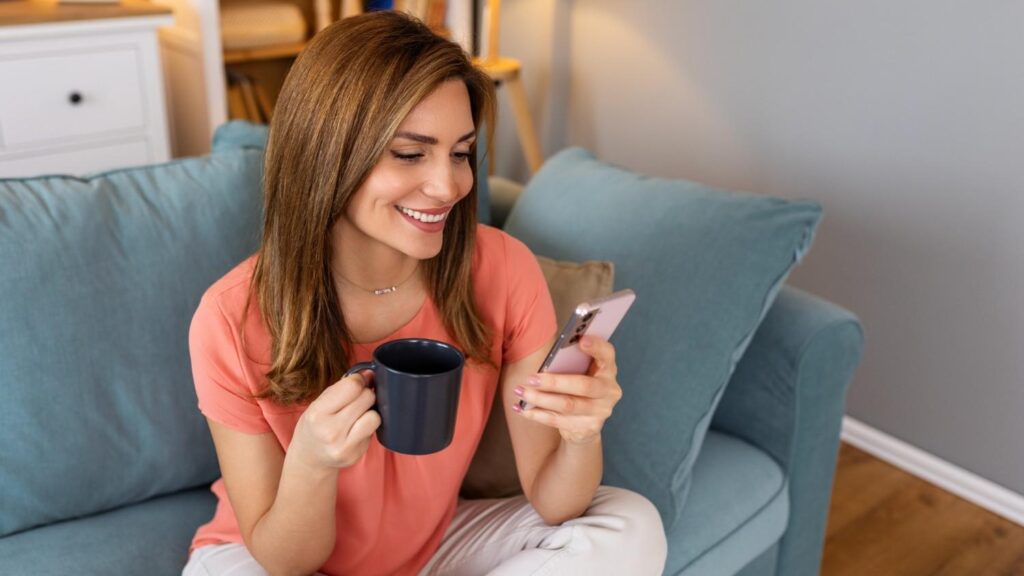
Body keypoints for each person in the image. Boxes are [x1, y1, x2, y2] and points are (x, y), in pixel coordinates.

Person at [183, 10, 667, 576]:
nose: (447, 187)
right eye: (410, 153)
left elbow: (556, 503)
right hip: (269, 553)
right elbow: (286, 559)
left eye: (460, 153)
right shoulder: (230, 318)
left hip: (434, 547)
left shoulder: (504, 270)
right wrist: (312, 464)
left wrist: (582, 435)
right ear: (327, 154)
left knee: (627, 524)